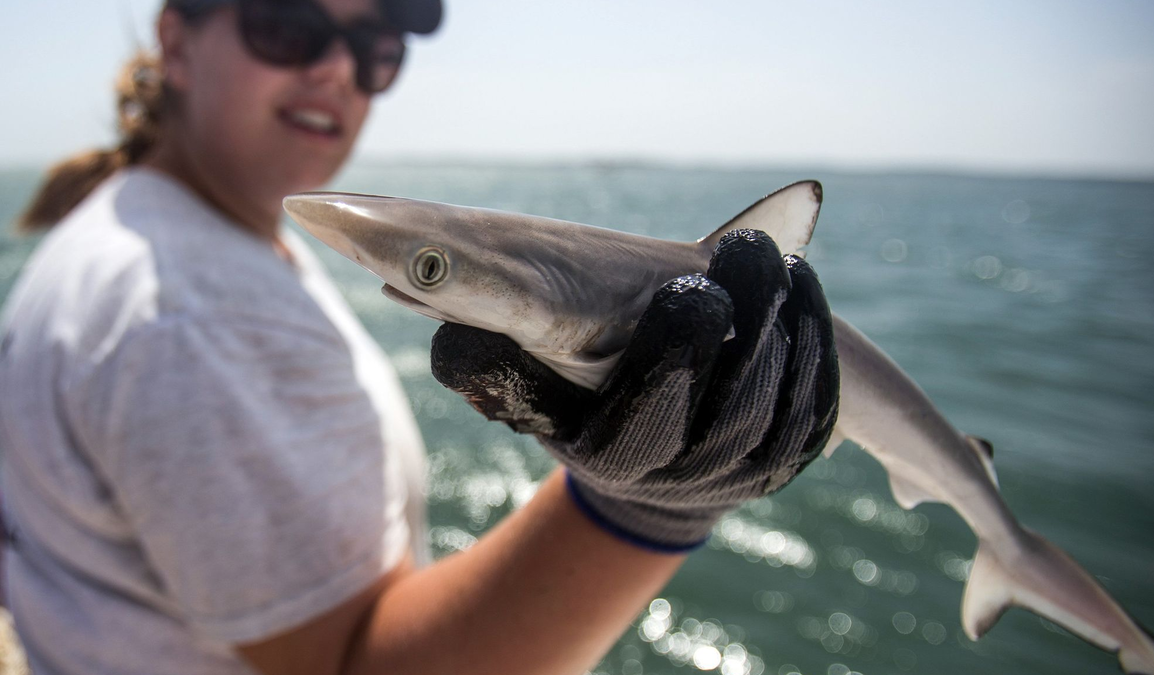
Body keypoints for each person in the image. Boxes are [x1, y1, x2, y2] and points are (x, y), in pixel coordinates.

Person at [0, 0, 840, 673]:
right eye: (287, 25)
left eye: (374, 49)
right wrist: (645, 500)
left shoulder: (143, 228)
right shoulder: (192, 315)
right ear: (176, 42)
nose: (336, 70)